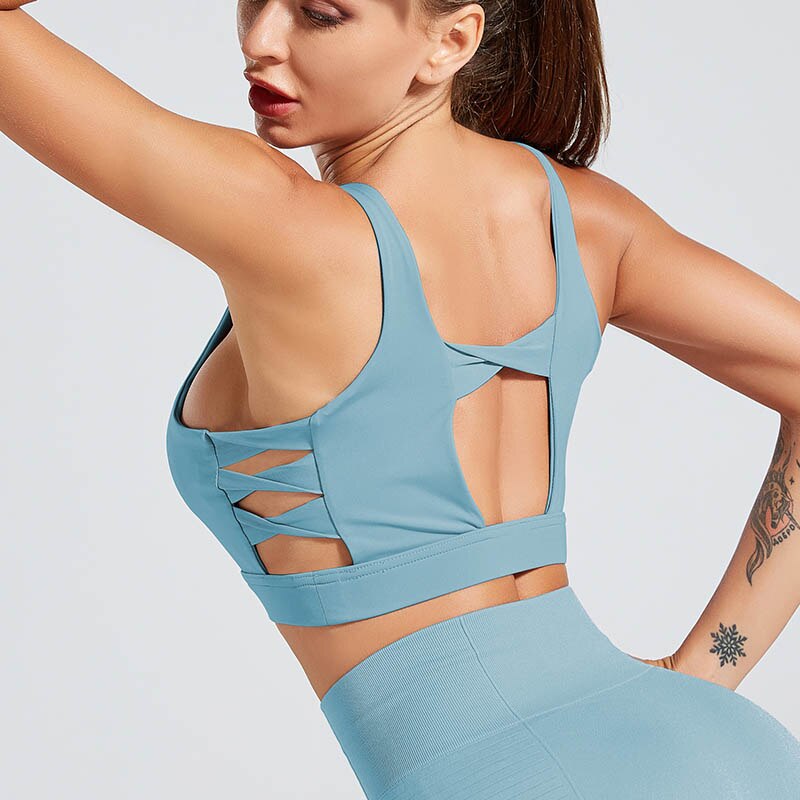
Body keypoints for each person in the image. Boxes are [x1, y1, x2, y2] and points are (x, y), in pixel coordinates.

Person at [3, 1, 799, 797]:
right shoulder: (585, 219)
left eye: (319, 13)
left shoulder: (278, 220)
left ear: (452, 40)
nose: (261, 39)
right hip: (716, 746)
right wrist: (708, 670)